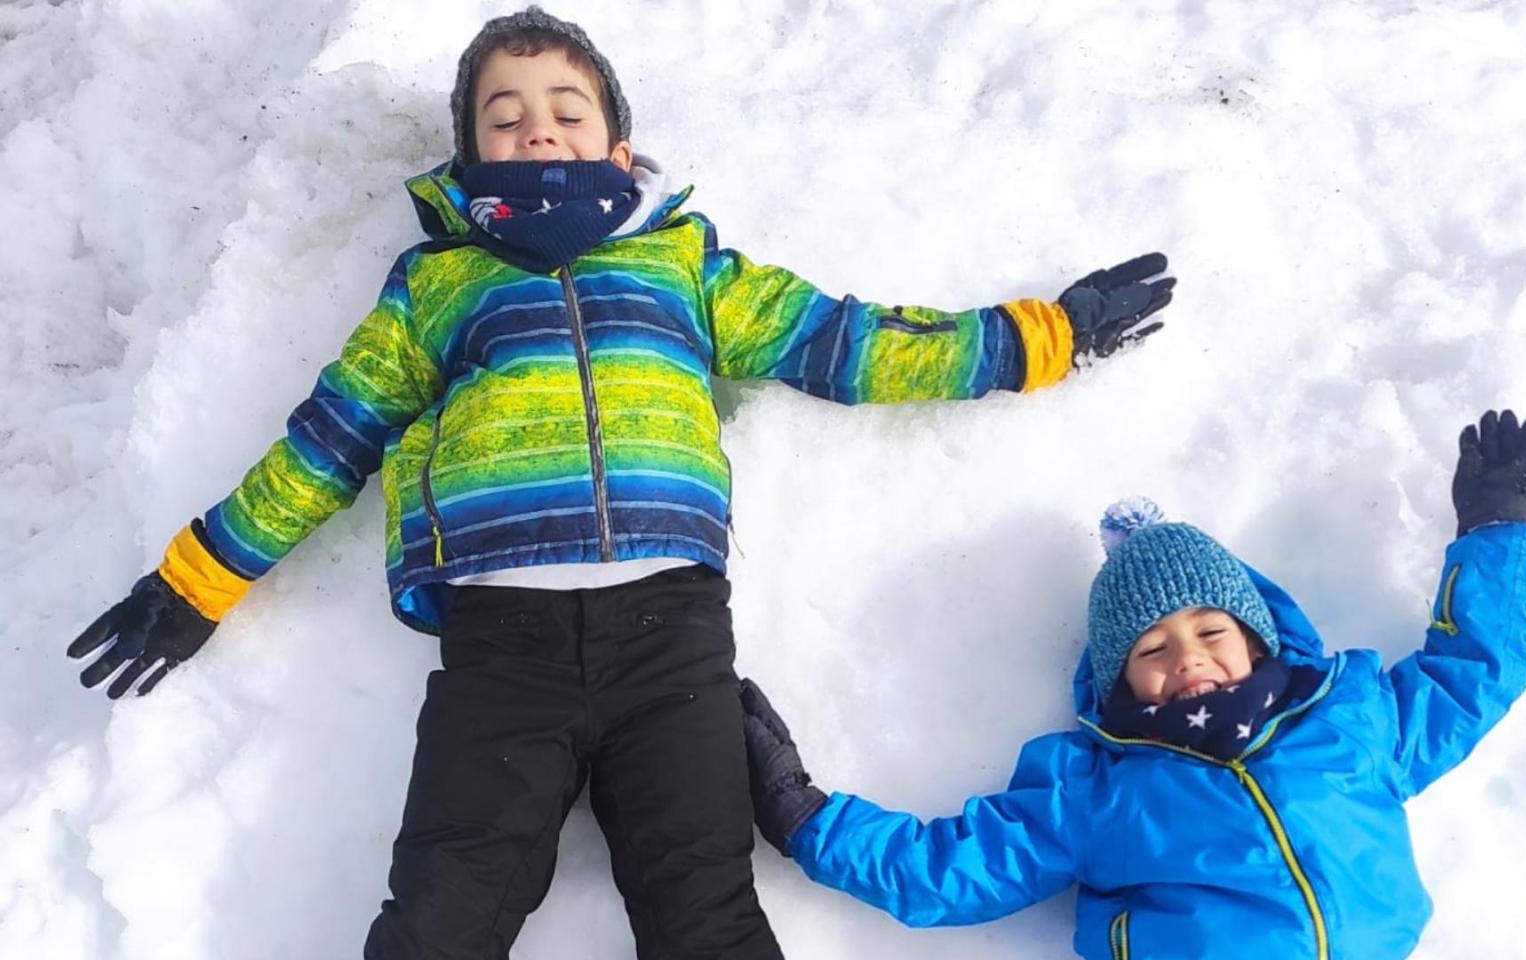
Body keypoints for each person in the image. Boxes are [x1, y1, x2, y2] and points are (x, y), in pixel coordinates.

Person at [62, 7, 1177, 959]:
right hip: (503, 652)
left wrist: (1036, 337)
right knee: (445, 908)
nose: (534, 121)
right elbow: (325, 443)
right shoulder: (436, 291)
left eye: (563, 103)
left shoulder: (684, 262)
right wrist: (198, 578)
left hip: (669, 645)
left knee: (705, 912)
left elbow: (848, 342)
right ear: (470, 157)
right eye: (503, 113)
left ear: (616, 138)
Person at [742, 411, 1526, 959]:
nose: (1188, 656)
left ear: (1258, 640)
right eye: (1152, 647)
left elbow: (1471, 674)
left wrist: (1494, 530)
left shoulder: (1350, 720)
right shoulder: (1099, 795)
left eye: (1211, 631)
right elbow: (954, 869)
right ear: (1119, 682)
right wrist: (805, 817)